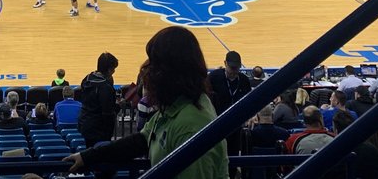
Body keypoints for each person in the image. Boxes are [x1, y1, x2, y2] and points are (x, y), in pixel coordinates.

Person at [67, 27, 227, 179]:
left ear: (172, 72)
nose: (147, 71)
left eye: (154, 64)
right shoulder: (177, 105)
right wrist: (88, 156)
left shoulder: (191, 127)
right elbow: (141, 140)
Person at [208, 50, 252, 155]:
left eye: (236, 68)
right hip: (217, 122)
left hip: (235, 125)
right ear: (225, 64)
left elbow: (249, 101)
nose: (234, 71)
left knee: (233, 152)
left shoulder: (244, 80)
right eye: (231, 68)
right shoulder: (213, 77)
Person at [78, 51, 120, 147]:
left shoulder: (87, 78)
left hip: (85, 124)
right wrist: (118, 106)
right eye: (113, 69)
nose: (114, 71)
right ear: (109, 69)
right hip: (98, 130)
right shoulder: (105, 88)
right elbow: (107, 114)